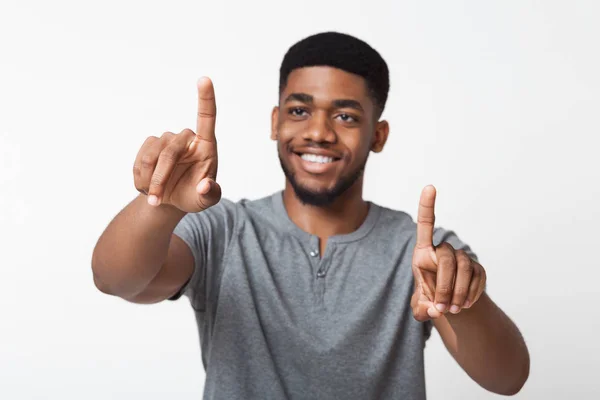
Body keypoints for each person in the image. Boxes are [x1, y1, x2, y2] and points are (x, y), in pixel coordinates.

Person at [92, 32, 530, 399]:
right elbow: (117, 280)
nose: (318, 132)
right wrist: (163, 205)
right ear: (275, 122)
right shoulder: (223, 231)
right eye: (299, 111)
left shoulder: (422, 253)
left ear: (378, 135)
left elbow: (508, 379)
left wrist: (458, 302)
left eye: (345, 116)